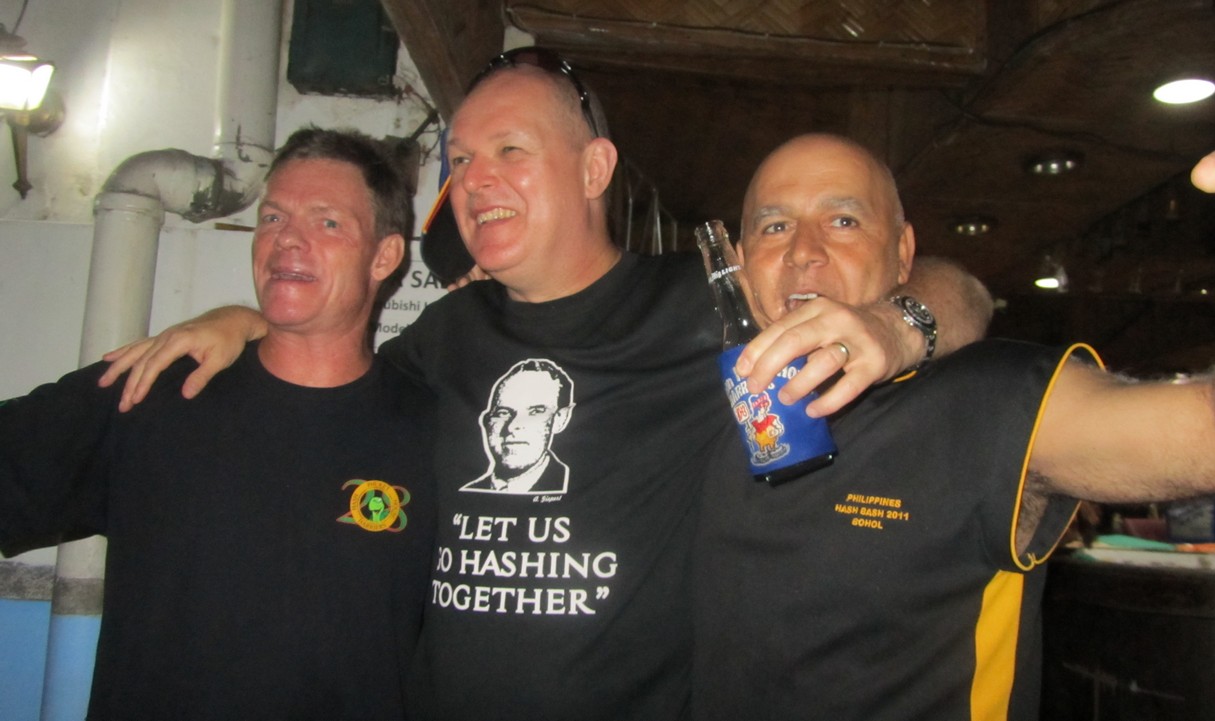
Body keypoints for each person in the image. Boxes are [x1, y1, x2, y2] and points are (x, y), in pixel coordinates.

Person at [92, 49, 996, 719]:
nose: (475, 180)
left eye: (509, 151)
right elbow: (335, 376)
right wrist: (249, 321)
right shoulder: (444, 336)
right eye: (460, 159)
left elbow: (961, 292)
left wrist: (895, 327)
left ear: (595, 168)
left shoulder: (704, 306)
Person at [691, 133, 1215, 721]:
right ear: (738, 266)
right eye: (775, 227)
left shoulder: (990, 395)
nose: (803, 252)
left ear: (902, 253)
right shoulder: (704, 397)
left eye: (843, 221)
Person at [0, 128, 435, 720]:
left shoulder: (434, 433)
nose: (287, 239)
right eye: (273, 217)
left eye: (328, 222)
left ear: (384, 256)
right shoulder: (154, 391)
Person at [462, 358, 574, 494]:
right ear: (486, 421)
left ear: (560, 419)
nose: (512, 426)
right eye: (503, 413)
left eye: (535, 412)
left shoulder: (577, 486)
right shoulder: (469, 491)